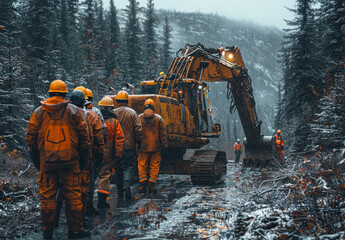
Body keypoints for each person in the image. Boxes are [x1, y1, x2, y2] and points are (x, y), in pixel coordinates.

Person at [25, 80, 91, 239]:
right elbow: (84, 140)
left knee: (47, 198)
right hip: (71, 163)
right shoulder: (75, 112)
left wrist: (38, 163)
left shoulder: (38, 112)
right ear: (64, 94)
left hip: (47, 163)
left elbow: (30, 140)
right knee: (73, 197)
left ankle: (47, 231)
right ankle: (75, 230)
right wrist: (81, 163)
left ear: (49, 93)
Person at [113, 91, 142, 199]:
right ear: (127, 100)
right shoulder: (132, 113)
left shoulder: (113, 112)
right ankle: (127, 184)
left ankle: (119, 191)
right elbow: (138, 130)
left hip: (116, 147)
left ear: (117, 101)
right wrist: (139, 142)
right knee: (128, 168)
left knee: (118, 169)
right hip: (129, 147)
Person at [97, 96, 124, 208]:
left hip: (94, 152)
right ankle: (102, 202)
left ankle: (86, 203)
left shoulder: (96, 118)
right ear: (112, 108)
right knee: (104, 176)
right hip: (107, 154)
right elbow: (119, 138)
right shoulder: (114, 122)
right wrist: (118, 154)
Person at [138, 99, 167, 194]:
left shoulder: (139, 118)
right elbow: (162, 134)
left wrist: (137, 144)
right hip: (155, 147)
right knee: (154, 165)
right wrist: (164, 145)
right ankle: (152, 185)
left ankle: (143, 185)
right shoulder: (158, 118)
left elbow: (137, 132)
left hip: (143, 147)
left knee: (142, 165)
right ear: (153, 107)